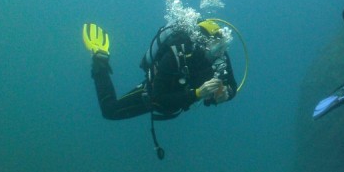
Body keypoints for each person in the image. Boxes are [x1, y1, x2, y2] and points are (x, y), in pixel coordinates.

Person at [82, 20, 238, 158]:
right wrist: (196, 94)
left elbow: (233, 86)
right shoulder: (176, 54)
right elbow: (159, 97)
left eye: (222, 46)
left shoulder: (219, 55)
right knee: (110, 110)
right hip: (158, 93)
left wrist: (226, 94)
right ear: (202, 43)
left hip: (180, 101)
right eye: (217, 47)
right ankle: (100, 59)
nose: (220, 52)